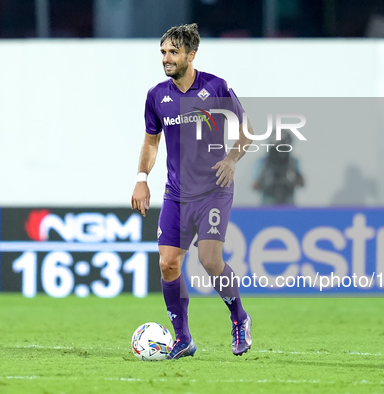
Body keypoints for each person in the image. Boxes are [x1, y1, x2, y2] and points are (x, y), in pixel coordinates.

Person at [131, 23, 253, 359]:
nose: (166, 59)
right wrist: (142, 177)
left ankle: (239, 319)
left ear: (190, 55)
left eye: (172, 52)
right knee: (168, 264)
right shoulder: (157, 96)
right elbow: (151, 142)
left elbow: (247, 131)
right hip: (176, 195)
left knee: (209, 260)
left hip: (214, 190)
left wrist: (232, 158)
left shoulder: (215, 87)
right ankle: (183, 339)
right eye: (163, 53)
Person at [253, 130, 304, 205]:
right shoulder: (263, 162)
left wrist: (293, 179)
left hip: (288, 197)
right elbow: (255, 185)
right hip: (268, 197)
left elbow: (301, 182)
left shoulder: (293, 162)